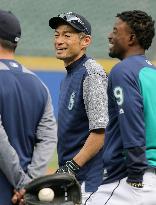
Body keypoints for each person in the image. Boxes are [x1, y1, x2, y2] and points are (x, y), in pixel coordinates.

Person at [87, 10, 156, 205]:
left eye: (116, 31)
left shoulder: (123, 70)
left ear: (131, 38)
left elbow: (131, 119)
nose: (110, 35)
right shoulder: (152, 72)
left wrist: (135, 175)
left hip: (132, 180)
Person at [48, 12, 108, 204]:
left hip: (92, 183)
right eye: (57, 35)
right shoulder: (68, 77)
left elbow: (100, 132)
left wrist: (70, 168)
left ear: (85, 41)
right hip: (77, 181)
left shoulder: (91, 73)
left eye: (67, 35)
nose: (59, 40)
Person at [0, 9, 57, 205]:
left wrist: (20, 183)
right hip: (25, 198)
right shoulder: (39, 85)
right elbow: (48, 138)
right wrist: (28, 185)